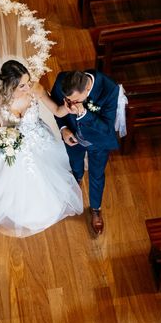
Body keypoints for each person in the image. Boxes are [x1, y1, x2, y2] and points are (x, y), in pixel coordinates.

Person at [0, 60, 84, 238]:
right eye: (22, 85)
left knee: (47, 175)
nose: (27, 87)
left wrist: (70, 109)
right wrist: (0, 136)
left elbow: (57, 111)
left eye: (28, 82)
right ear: (10, 85)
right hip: (12, 142)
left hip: (39, 139)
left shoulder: (35, 89)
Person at [50, 69, 126, 236]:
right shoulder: (63, 79)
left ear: (86, 90)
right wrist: (63, 129)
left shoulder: (109, 89)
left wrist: (84, 113)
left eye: (75, 100)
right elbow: (57, 108)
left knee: (96, 174)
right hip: (72, 136)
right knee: (75, 166)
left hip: (98, 141)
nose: (70, 104)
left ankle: (95, 208)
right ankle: (74, 187)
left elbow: (106, 128)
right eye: (68, 100)